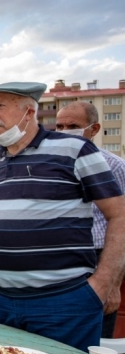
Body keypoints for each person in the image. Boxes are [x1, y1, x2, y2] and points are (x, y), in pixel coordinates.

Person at [0, 82, 125, 351]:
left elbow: (120, 215)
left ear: (29, 112)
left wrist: (103, 283)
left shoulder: (75, 149)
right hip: (3, 301)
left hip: (64, 302)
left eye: (0, 106)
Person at [56, 101, 125, 339]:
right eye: (60, 126)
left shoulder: (113, 166)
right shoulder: (51, 165)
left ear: (94, 129)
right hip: (61, 260)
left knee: (95, 338)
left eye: (73, 126)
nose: (65, 131)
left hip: (98, 259)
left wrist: (113, 284)